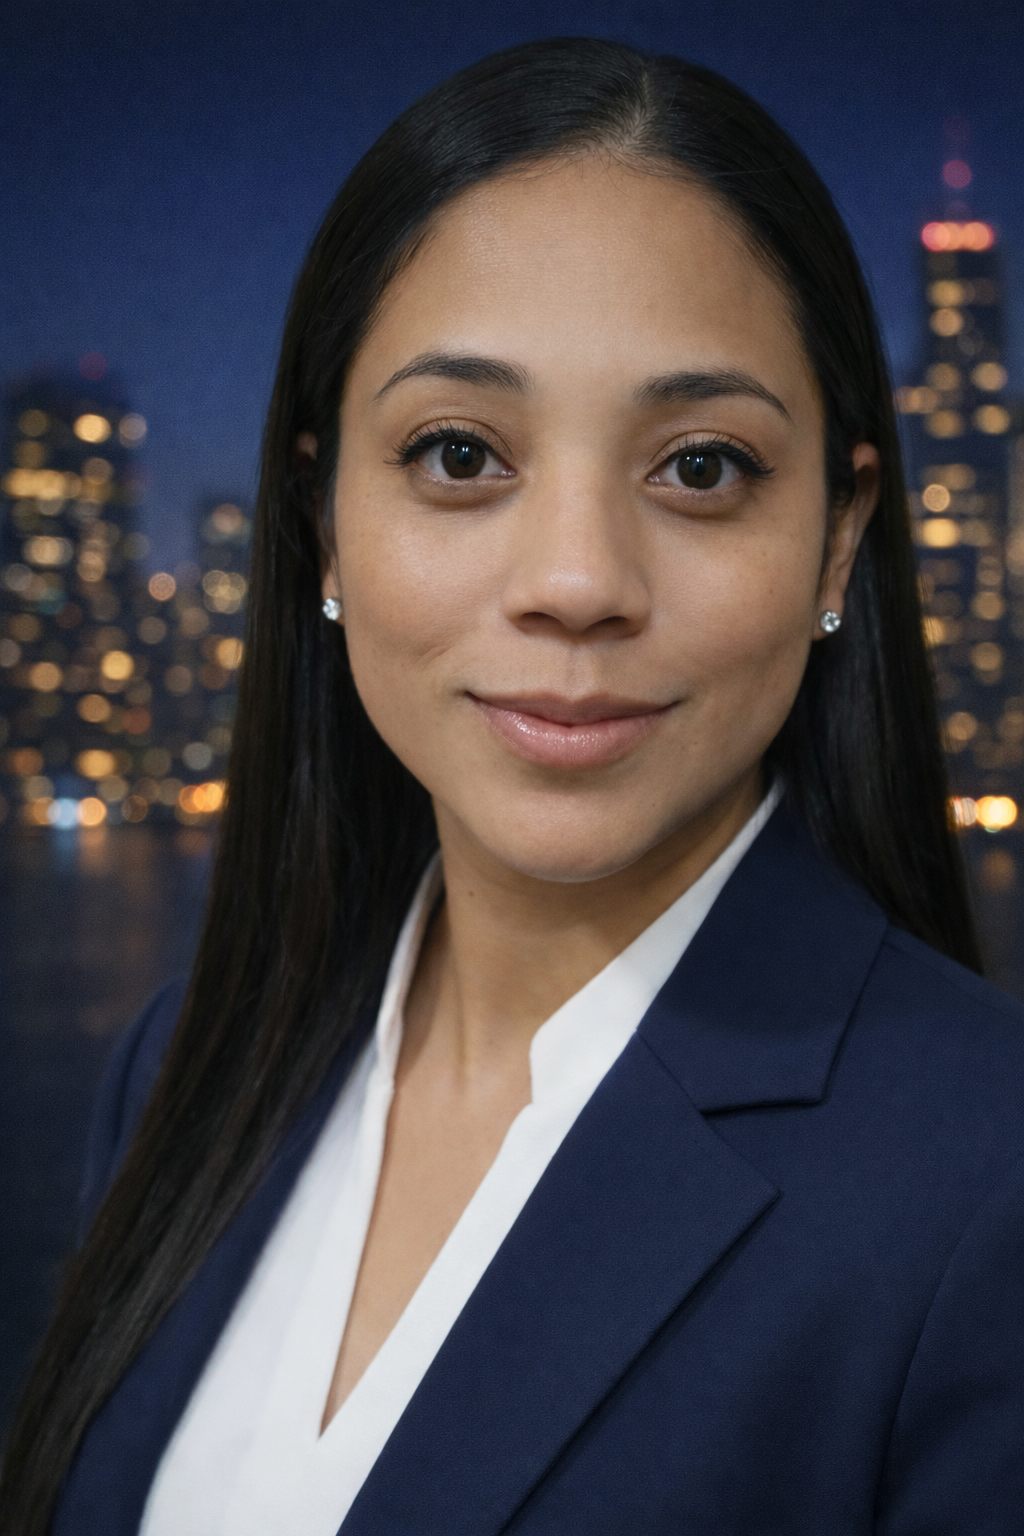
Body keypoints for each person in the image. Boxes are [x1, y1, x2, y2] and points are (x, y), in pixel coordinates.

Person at [3, 37, 1022, 1536]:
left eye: (702, 469)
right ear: (322, 518)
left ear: (841, 535)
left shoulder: (986, 1184)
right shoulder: (177, 1078)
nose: (576, 584)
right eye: (461, 451)